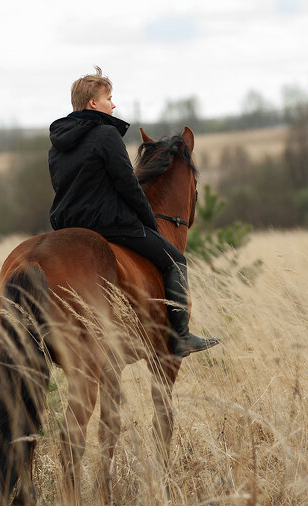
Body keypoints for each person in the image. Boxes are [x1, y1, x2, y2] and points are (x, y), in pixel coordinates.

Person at [48, 67, 218, 358]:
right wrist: (149, 223)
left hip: (67, 228)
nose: (113, 105)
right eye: (109, 98)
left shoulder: (57, 145)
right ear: (93, 103)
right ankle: (181, 337)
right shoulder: (105, 134)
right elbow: (128, 185)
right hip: (109, 225)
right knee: (175, 260)